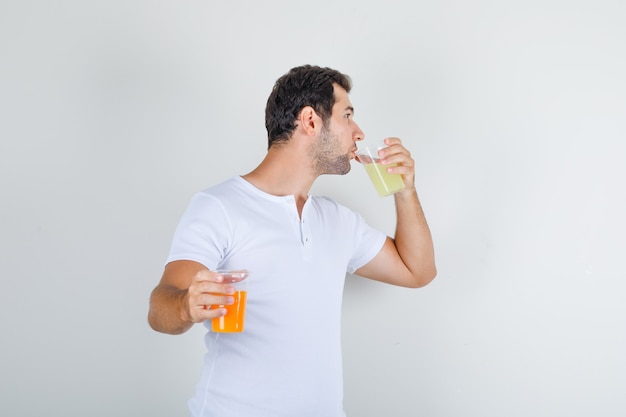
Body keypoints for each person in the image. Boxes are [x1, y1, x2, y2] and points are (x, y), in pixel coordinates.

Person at [148, 64, 436, 417]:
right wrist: (186, 306)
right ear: (310, 121)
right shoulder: (220, 206)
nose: (359, 133)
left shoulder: (337, 219)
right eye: (347, 116)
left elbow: (417, 271)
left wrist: (404, 191)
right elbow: (159, 309)